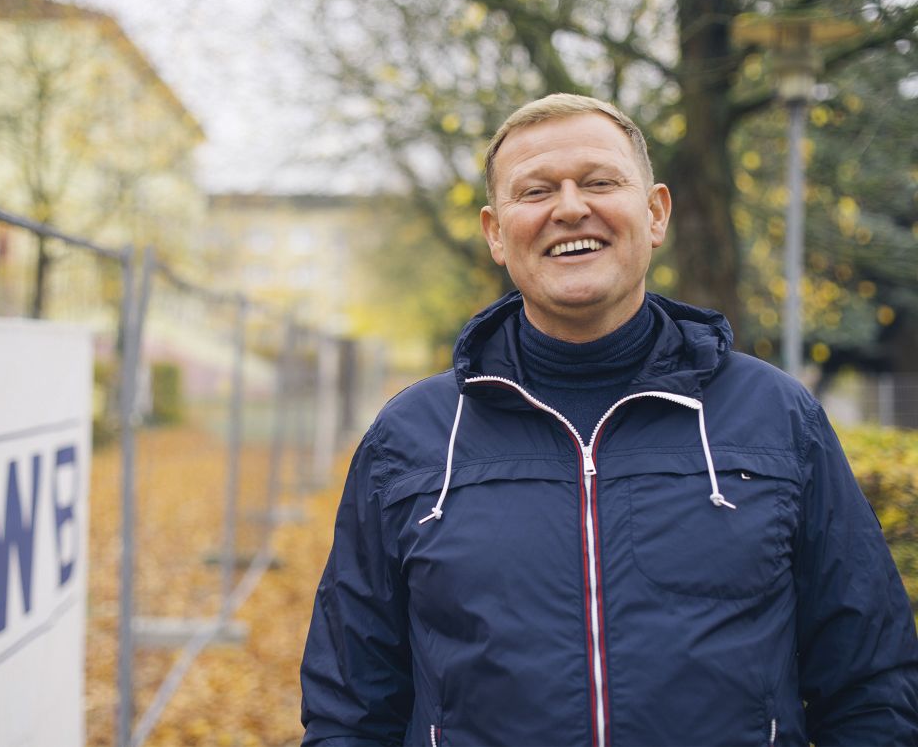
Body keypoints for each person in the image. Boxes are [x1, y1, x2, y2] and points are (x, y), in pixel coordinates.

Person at [299, 93, 918, 746]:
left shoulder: (779, 418)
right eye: (535, 191)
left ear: (655, 213)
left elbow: (871, 685)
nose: (570, 208)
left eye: (598, 182)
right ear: (494, 233)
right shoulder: (412, 436)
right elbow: (351, 706)